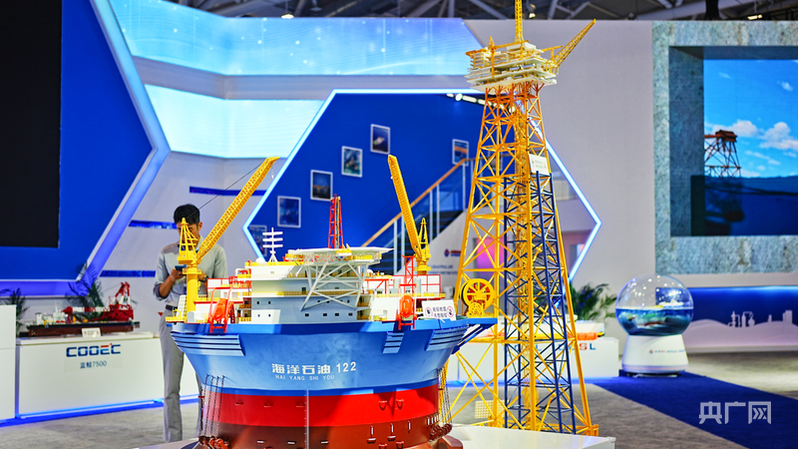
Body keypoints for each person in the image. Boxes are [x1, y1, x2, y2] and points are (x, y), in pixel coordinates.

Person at [153, 204, 227, 442]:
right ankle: (172, 440)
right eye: (180, 230)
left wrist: (202, 277)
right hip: (172, 319)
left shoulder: (215, 252)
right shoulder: (166, 253)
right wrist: (172, 277)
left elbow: (222, 290)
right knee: (170, 387)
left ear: (200, 226)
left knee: (206, 385)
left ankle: (204, 437)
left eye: (190, 229)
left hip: (201, 323)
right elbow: (158, 293)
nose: (185, 235)